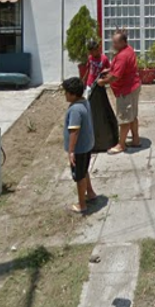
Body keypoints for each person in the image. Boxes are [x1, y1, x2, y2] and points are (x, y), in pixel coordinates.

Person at [99, 29, 142, 155]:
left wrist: (103, 82)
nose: (113, 45)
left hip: (126, 90)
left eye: (115, 43)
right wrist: (109, 69)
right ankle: (136, 140)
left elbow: (115, 77)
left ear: (123, 42)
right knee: (132, 115)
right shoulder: (128, 50)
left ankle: (121, 145)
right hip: (133, 86)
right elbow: (119, 68)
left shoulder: (122, 56)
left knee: (124, 118)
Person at [62, 76, 97, 214]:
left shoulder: (75, 110)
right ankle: (90, 192)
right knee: (84, 169)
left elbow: (74, 131)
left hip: (79, 149)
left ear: (73, 94)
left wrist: (71, 151)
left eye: (66, 92)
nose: (65, 95)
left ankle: (82, 204)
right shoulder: (84, 102)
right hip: (87, 145)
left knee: (79, 176)